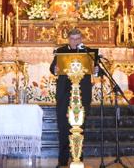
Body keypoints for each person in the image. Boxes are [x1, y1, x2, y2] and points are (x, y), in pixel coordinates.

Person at [49, 28, 97, 168]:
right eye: (72, 39)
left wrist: (96, 70)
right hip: (65, 94)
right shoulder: (61, 51)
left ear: (81, 39)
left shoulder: (88, 52)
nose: (75, 42)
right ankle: (62, 160)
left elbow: (96, 69)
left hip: (82, 93)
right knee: (64, 127)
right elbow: (53, 68)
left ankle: (78, 159)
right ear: (68, 39)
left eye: (77, 39)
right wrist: (55, 70)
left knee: (80, 127)